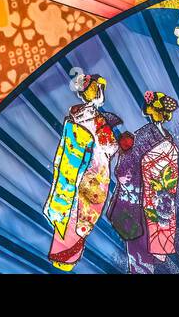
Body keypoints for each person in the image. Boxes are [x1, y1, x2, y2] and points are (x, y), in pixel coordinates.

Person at [44, 73, 130, 271]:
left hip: (70, 169)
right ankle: (68, 258)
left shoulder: (74, 115)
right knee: (81, 215)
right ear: (98, 93)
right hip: (92, 170)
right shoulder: (98, 122)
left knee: (67, 210)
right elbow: (109, 147)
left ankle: (60, 256)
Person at [107, 90, 179, 273]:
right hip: (138, 203)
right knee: (139, 254)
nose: (158, 114)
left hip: (154, 202)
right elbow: (123, 171)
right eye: (156, 109)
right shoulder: (144, 136)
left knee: (147, 252)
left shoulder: (164, 138)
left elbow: (168, 175)